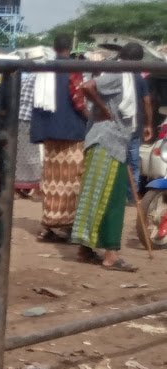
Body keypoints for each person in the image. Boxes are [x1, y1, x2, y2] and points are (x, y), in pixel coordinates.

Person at [71, 61, 138, 272]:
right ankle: (111, 255)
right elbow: (87, 86)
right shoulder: (120, 75)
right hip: (108, 143)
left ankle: (85, 249)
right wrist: (103, 109)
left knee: (94, 196)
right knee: (113, 200)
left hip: (108, 142)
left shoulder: (122, 77)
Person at [30, 33, 89, 243]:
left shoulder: (44, 68)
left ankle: (48, 224)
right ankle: (66, 225)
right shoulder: (73, 68)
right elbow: (78, 98)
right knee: (71, 179)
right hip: (71, 131)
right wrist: (88, 117)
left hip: (49, 131)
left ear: (54, 48)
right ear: (71, 47)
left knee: (51, 178)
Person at [119, 42, 153, 205]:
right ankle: (132, 197)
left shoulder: (115, 75)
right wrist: (148, 125)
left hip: (117, 125)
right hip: (134, 126)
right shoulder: (139, 78)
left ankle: (116, 195)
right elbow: (146, 102)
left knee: (116, 160)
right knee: (133, 163)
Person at [15, 72, 42, 198]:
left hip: (19, 116)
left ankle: (19, 186)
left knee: (19, 155)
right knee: (32, 155)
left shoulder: (27, 78)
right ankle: (36, 188)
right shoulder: (40, 79)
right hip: (29, 118)